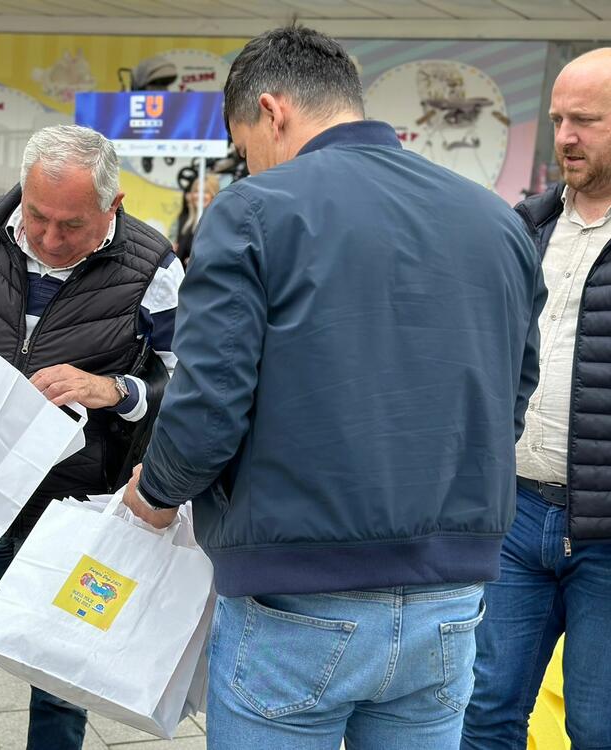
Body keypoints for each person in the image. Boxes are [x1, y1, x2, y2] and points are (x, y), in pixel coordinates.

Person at [121, 26, 545, 750]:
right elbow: (512, 395)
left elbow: (209, 405)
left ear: (272, 110)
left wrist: (157, 493)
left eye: (244, 146)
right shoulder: (497, 221)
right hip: (449, 599)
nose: (248, 164)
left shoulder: (251, 212)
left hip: (296, 599)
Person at [0, 124, 182, 750]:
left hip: (81, 510)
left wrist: (115, 390)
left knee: (59, 690)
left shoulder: (154, 266)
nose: (48, 237)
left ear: (114, 205)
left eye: (71, 225)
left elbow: (189, 382)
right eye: (37, 215)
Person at [462, 48, 611, 750]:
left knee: (597, 726)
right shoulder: (525, 225)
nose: (565, 137)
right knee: (484, 713)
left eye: (585, 120)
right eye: (556, 120)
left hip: (607, 534)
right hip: (516, 513)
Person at [174, 172, 219, 267]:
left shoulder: (217, 221)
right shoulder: (185, 220)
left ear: (213, 195)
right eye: (196, 191)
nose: (199, 196)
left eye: (205, 192)